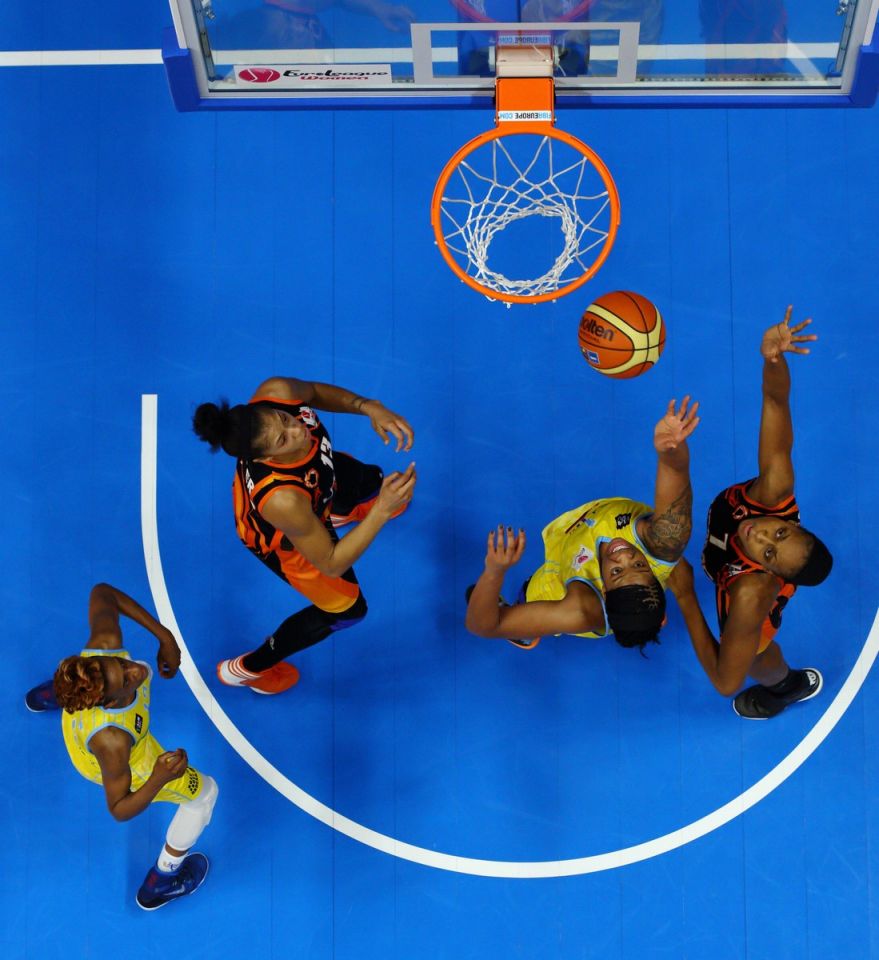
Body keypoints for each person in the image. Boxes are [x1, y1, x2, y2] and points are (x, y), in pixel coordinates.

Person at [193, 376, 416, 694]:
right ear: (264, 458)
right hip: (283, 540)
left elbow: (312, 392)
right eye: (283, 439)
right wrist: (381, 510)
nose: (298, 430)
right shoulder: (283, 501)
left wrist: (367, 406)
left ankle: (335, 514)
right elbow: (331, 563)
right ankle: (248, 669)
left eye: (284, 419)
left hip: (313, 485)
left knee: (369, 481)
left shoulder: (277, 392)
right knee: (349, 611)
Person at [668, 307, 832, 719]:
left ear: (772, 573)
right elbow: (776, 401)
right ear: (790, 520)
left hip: (743, 602)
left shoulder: (750, 595)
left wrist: (686, 596)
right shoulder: (774, 490)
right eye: (780, 533)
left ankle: (787, 686)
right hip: (723, 561)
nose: (761, 536)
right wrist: (773, 360)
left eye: (769, 553)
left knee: (757, 658)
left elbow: (726, 681)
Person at [24, 584, 218, 911]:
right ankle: (161, 881)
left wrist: (166, 637)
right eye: (126, 681)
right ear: (109, 701)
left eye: (120, 664)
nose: (133, 670)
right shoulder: (114, 741)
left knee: (135, 668)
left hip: (80, 723)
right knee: (206, 795)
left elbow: (103, 593)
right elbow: (118, 808)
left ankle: (54, 693)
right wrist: (158, 777)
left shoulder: (102, 649)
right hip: (128, 763)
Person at [465, 397, 699, 653]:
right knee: (668, 566)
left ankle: (525, 632)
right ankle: (644, 613)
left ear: (604, 592)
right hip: (588, 531)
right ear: (653, 574)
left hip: (559, 579)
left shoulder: (580, 610)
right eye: (639, 565)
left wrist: (494, 571)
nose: (624, 555)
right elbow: (675, 473)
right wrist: (670, 450)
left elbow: (483, 626)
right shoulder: (665, 539)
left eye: (616, 572)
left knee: (529, 596)